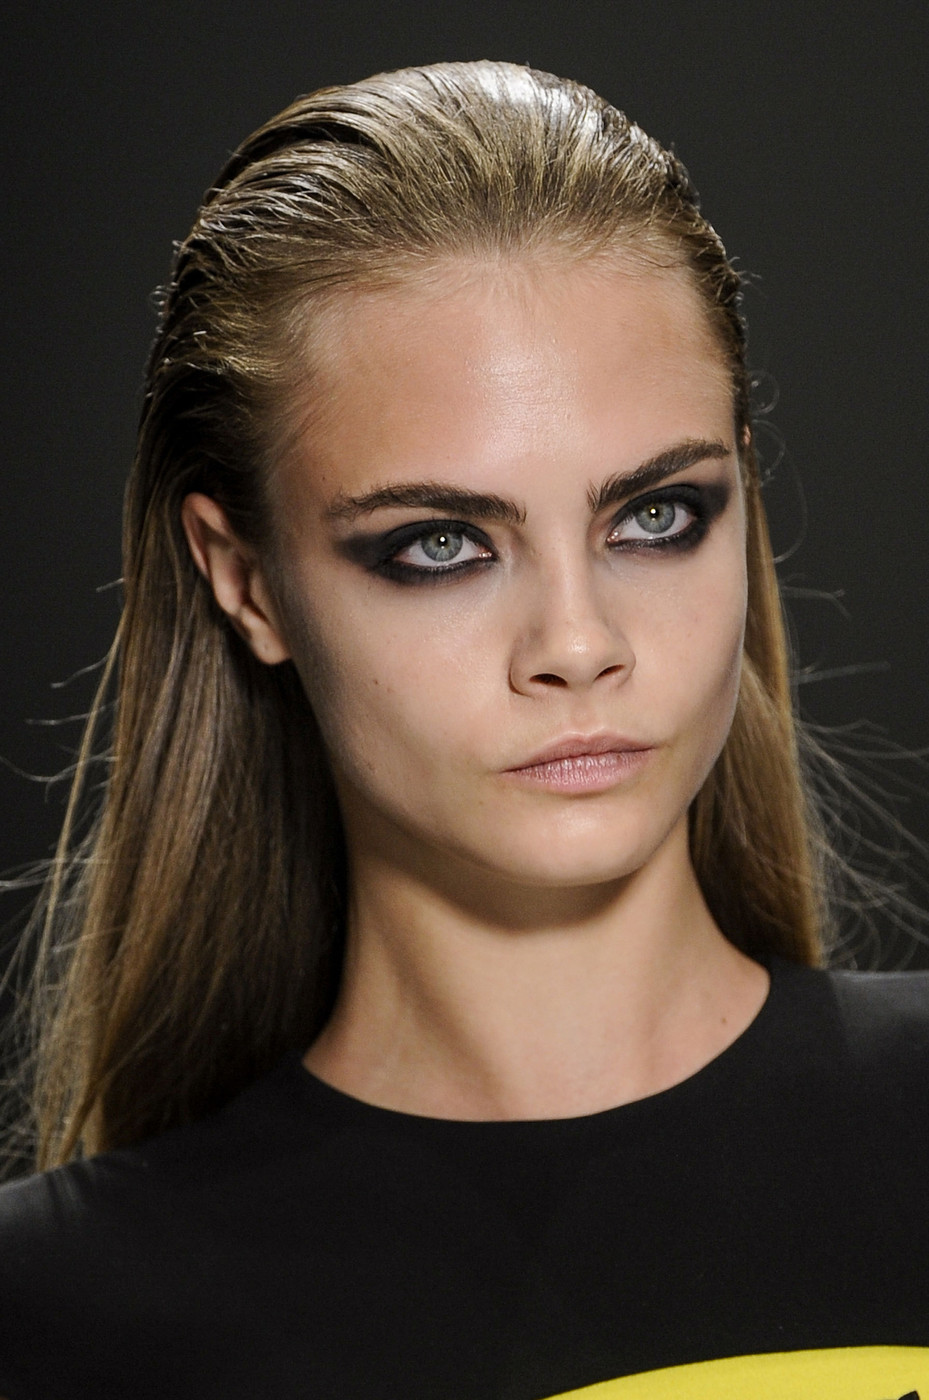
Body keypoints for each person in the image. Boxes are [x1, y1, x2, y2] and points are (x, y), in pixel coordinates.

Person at [0, 59, 927, 1400]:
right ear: (243, 580)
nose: (578, 643)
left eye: (655, 516)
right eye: (439, 544)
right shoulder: (54, 1320)